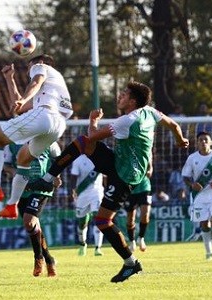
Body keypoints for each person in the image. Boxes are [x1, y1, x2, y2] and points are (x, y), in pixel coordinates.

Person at [28, 81, 189, 282]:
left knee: (103, 220)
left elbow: (94, 135)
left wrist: (92, 120)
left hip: (125, 175)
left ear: (132, 101)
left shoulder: (128, 121)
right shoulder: (150, 112)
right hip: (120, 163)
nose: (119, 96)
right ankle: (48, 178)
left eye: (123, 94)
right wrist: (180, 139)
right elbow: (173, 124)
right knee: (81, 143)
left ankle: (131, 263)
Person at [0, 54, 73, 217]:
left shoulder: (41, 67)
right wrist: (9, 78)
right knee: (23, 159)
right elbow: (20, 106)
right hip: (58, 126)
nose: (28, 72)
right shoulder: (55, 85)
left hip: (45, 116)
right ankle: (12, 205)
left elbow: (36, 81)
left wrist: (25, 96)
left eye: (29, 68)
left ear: (39, 63)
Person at [14, 142, 60, 277]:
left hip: (41, 187)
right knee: (34, 226)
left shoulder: (49, 141)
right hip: (22, 188)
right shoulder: (12, 144)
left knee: (29, 221)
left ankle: (38, 257)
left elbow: (59, 161)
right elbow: (7, 166)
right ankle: (49, 260)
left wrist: (57, 177)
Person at [182, 131, 212, 260]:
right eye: (200, 140)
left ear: (211, 142)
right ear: (197, 143)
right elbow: (185, 176)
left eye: (206, 139)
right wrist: (192, 184)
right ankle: (208, 251)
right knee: (204, 223)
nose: (203, 142)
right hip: (199, 195)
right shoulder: (192, 158)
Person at [70, 154, 105, 256]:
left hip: (97, 193)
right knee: (82, 222)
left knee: (99, 218)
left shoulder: (100, 157)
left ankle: (98, 248)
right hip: (82, 194)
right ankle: (82, 244)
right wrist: (73, 191)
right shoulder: (78, 160)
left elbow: (106, 175)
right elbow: (73, 177)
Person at [124, 160, 153, 253]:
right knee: (130, 218)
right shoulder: (125, 152)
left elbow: (150, 167)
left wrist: (149, 171)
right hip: (130, 188)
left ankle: (141, 238)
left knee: (145, 215)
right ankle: (132, 241)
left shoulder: (144, 149)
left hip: (144, 187)